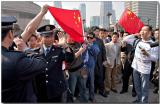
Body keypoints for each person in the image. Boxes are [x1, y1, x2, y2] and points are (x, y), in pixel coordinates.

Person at [1, 15, 47, 102]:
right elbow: (42, 63)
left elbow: (28, 31)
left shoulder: (9, 51)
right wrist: (27, 49)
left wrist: (42, 12)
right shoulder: (17, 60)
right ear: (10, 34)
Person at [33, 25, 74, 102]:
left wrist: (65, 45)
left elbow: (70, 59)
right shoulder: (35, 52)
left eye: (52, 36)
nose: (50, 39)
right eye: (46, 36)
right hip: (41, 91)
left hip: (56, 90)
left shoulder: (59, 50)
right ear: (41, 37)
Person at [132, 25, 158, 103]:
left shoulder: (154, 44)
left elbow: (155, 58)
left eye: (144, 30)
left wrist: (147, 54)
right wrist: (134, 34)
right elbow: (126, 39)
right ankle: (139, 99)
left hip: (145, 69)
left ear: (150, 33)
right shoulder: (138, 41)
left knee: (144, 87)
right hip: (135, 67)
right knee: (137, 86)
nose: (142, 32)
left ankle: (144, 102)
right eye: (141, 30)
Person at [82, 31, 100, 102]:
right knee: (83, 83)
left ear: (93, 39)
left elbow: (96, 52)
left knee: (91, 83)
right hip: (83, 66)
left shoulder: (95, 45)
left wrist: (89, 45)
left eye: (90, 38)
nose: (88, 38)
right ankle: (84, 97)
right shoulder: (82, 44)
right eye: (87, 37)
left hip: (90, 67)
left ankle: (92, 97)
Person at [103, 32, 121, 96]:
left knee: (114, 76)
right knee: (107, 77)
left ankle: (113, 87)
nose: (115, 38)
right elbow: (104, 55)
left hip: (116, 63)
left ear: (118, 38)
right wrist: (106, 62)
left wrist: (118, 62)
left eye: (116, 37)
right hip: (109, 63)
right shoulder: (107, 45)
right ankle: (107, 89)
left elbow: (118, 55)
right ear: (111, 37)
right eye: (113, 37)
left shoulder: (119, 45)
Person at [91, 26, 106, 97]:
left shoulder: (100, 40)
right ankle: (93, 90)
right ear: (93, 32)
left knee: (100, 76)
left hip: (99, 62)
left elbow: (103, 51)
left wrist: (104, 60)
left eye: (98, 31)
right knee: (92, 77)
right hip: (91, 62)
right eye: (96, 31)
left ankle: (101, 91)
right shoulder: (89, 39)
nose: (97, 33)